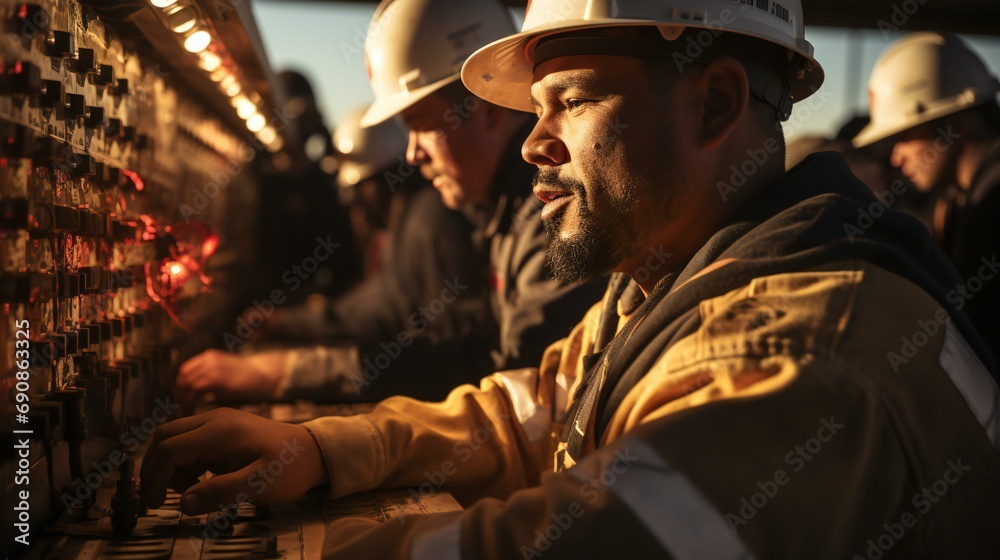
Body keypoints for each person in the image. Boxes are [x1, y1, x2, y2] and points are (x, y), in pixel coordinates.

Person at [143, 1, 1000, 558]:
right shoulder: (674, 279)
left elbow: (602, 547)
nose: (531, 142)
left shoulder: (802, 351)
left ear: (714, 105)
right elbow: (538, 412)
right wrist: (323, 446)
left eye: (575, 101)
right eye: (536, 106)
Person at [175, 0, 608, 404]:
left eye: (419, 126)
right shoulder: (505, 213)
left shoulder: (547, 212)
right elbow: (463, 340)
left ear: (484, 107)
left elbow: (516, 382)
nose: (412, 154)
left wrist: (292, 377)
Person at [854, 32, 1000, 359]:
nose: (896, 157)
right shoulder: (970, 197)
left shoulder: (992, 204)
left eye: (905, 134)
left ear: (955, 124)